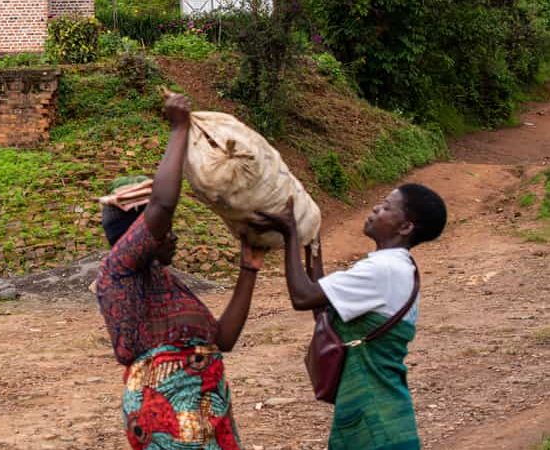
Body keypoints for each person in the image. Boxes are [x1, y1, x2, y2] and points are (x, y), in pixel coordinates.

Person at [94, 94, 266, 450]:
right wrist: (179, 129)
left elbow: (223, 339)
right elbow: (162, 203)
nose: (172, 234)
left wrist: (248, 268)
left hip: (208, 408)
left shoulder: (165, 282)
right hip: (168, 410)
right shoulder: (119, 270)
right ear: (137, 233)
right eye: (164, 229)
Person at [255, 184, 447, 450]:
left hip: (375, 426)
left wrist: (290, 235)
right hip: (381, 416)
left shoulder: (383, 269)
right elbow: (324, 313)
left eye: (386, 207)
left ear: (405, 227)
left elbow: (302, 297)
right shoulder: (400, 267)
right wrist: (312, 244)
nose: (376, 209)